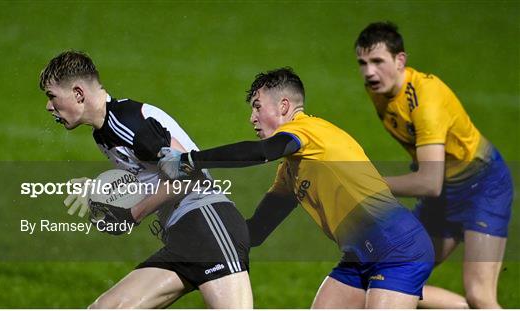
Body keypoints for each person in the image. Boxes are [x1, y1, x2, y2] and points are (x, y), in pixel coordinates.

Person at [157, 67, 435, 308]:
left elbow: (261, 152)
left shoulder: (308, 131)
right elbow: (255, 231)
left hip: (396, 247)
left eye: (257, 106)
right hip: (359, 256)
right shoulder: (290, 170)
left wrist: (189, 160)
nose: (252, 118)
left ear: (284, 106)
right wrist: (198, 233)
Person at [38, 50, 252, 308]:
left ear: (78, 93)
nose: (49, 106)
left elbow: (187, 174)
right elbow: (149, 176)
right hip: (185, 236)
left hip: (208, 226)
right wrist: (100, 191)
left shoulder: (129, 122)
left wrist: (133, 214)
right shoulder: (104, 133)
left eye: (52, 96)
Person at [353, 22, 514, 308]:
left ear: (400, 60)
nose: (369, 72)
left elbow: (429, 182)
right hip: (444, 194)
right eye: (362, 63)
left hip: (483, 188)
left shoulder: (425, 101)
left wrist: (370, 184)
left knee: (480, 294)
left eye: (377, 61)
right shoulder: (379, 90)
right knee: (387, 276)